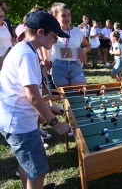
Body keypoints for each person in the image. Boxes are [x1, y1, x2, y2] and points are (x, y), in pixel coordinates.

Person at [0, 10, 71, 189]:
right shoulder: (27, 55)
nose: (55, 41)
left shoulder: (23, 49)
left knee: (27, 164)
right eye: (54, 37)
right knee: (38, 171)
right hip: (20, 124)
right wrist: (56, 124)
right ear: (40, 32)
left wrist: (47, 102)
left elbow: (24, 93)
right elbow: (32, 97)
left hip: (14, 120)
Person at [45, 2, 91, 88]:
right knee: (66, 97)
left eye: (69, 15)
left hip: (76, 66)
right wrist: (46, 61)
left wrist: (83, 50)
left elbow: (88, 45)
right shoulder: (52, 32)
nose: (67, 18)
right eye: (63, 15)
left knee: (78, 95)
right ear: (55, 17)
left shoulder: (78, 32)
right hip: (58, 67)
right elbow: (45, 46)